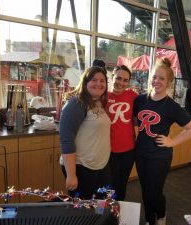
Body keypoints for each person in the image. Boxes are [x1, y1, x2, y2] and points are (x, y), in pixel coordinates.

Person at [133, 58, 191, 225]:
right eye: (154, 77)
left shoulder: (171, 106)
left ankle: (161, 215)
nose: (157, 81)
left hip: (160, 156)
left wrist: (172, 142)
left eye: (162, 78)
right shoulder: (140, 100)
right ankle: (149, 219)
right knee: (145, 190)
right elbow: (133, 120)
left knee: (154, 191)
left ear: (169, 82)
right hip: (140, 153)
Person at [59, 66, 111, 199]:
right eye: (94, 80)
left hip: (100, 166)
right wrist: (71, 175)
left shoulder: (97, 102)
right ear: (85, 82)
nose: (99, 83)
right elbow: (66, 140)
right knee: (83, 208)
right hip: (82, 167)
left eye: (102, 80)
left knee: (102, 203)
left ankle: (99, 219)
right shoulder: (76, 103)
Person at [107, 65, 138, 200]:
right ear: (112, 77)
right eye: (118, 78)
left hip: (128, 150)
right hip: (107, 150)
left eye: (125, 80)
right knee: (108, 185)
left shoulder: (133, 96)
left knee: (122, 184)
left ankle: (118, 214)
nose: (121, 83)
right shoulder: (103, 96)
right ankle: (105, 215)